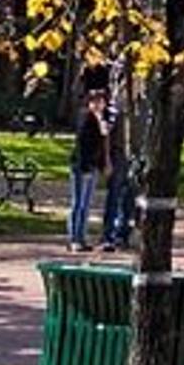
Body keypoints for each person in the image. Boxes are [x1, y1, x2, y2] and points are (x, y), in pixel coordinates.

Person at [68, 88, 109, 253]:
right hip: (81, 166)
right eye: (96, 101)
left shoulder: (101, 120)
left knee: (86, 204)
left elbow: (100, 145)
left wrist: (100, 165)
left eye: (102, 101)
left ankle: (82, 238)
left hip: (92, 166)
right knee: (78, 203)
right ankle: (74, 239)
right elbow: (83, 145)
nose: (100, 104)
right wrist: (84, 166)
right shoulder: (86, 117)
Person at [99, 77, 132, 252]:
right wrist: (107, 160)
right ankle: (108, 235)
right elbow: (107, 136)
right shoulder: (114, 109)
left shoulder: (140, 108)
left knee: (129, 198)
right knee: (115, 196)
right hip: (118, 155)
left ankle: (123, 233)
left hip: (133, 155)